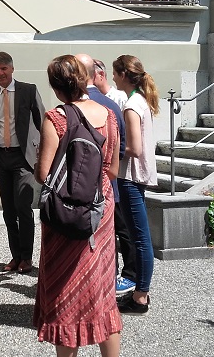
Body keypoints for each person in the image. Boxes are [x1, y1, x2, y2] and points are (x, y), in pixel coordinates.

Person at [34, 55, 121, 356]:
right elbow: (113, 170)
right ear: (85, 80)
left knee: (65, 289)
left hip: (65, 211)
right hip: (100, 207)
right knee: (102, 288)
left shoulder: (56, 118)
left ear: (56, 88)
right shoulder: (109, 115)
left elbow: (43, 174)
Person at [75, 54, 137, 297]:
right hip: (109, 181)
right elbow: (120, 149)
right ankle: (110, 280)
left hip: (82, 186)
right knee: (110, 234)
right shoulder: (111, 105)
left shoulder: (73, 107)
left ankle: (93, 283)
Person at [0, 51, 45, 274]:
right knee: (8, 211)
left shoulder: (28, 90)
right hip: (2, 156)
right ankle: (16, 255)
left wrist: (42, 155)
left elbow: (42, 123)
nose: (0, 73)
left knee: (23, 207)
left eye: (4, 69)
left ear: (12, 68)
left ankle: (27, 257)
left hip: (23, 157)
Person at [111, 54, 159, 315]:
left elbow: (134, 148)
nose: (113, 78)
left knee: (140, 239)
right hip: (136, 177)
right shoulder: (141, 100)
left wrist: (110, 149)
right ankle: (141, 292)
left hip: (130, 177)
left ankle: (140, 296)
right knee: (140, 237)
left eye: (115, 73)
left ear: (123, 75)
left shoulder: (131, 105)